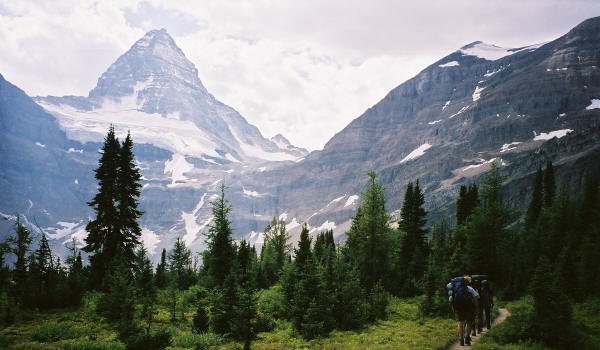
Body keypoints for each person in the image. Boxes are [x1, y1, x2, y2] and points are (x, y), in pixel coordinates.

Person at [451, 276, 475, 346]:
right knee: (469, 322)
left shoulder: (455, 289)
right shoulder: (470, 289)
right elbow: (476, 298)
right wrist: (476, 308)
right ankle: (467, 338)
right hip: (469, 308)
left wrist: (454, 309)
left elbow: (452, 300)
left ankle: (461, 339)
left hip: (459, 308)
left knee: (460, 323)